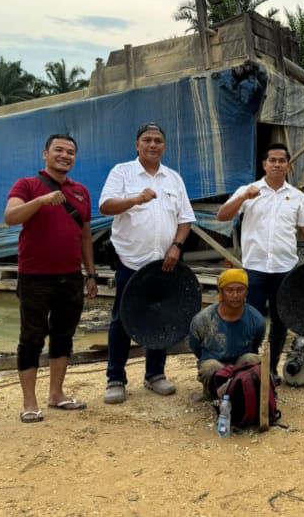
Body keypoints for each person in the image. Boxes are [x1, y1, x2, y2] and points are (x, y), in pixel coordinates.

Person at [215, 142, 304, 379]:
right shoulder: (249, 191)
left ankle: (270, 370)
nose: (277, 164)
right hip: (254, 269)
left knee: (281, 323)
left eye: (282, 161)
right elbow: (222, 216)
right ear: (264, 164)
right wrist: (242, 198)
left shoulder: (297, 196)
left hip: (285, 269)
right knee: (250, 321)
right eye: (272, 160)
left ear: (288, 166)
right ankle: (248, 370)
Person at [99, 122, 195, 404]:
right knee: (121, 319)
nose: (153, 145)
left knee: (162, 316)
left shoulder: (173, 178)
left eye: (158, 141)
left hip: (164, 262)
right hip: (130, 260)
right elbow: (105, 206)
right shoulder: (122, 172)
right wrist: (135, 199)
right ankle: (115, 378)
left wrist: (177, 246)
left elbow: (185, 219)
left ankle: (155, 374)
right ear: (137, 145)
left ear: (164, 146)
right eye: (147, 140)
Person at [4, 134, 97, 423]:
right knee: (31, 337)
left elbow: (84, 235)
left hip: (70, 276)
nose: (65, 155)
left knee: (63, 335)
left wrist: (91, 273)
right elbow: (11, 216)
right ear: (45, 153)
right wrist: (42, 201)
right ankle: (29, 401)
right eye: (58, 150)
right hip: (35, 276)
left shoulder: (80, 191)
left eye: (70, 152)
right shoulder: (27, 185)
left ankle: (56, 393)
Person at [188, 268, 266, 399]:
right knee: (210, 367)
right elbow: (196, 348)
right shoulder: (202, 320)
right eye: (230, 290)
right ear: (221, 292)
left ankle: (243, 391)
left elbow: (255, 345)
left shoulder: (256, 319)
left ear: (246, 291)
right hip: (215, 363)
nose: (235, 295)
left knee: (253, 359)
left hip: (240, 365)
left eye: (240, 290)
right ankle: (212, 394)